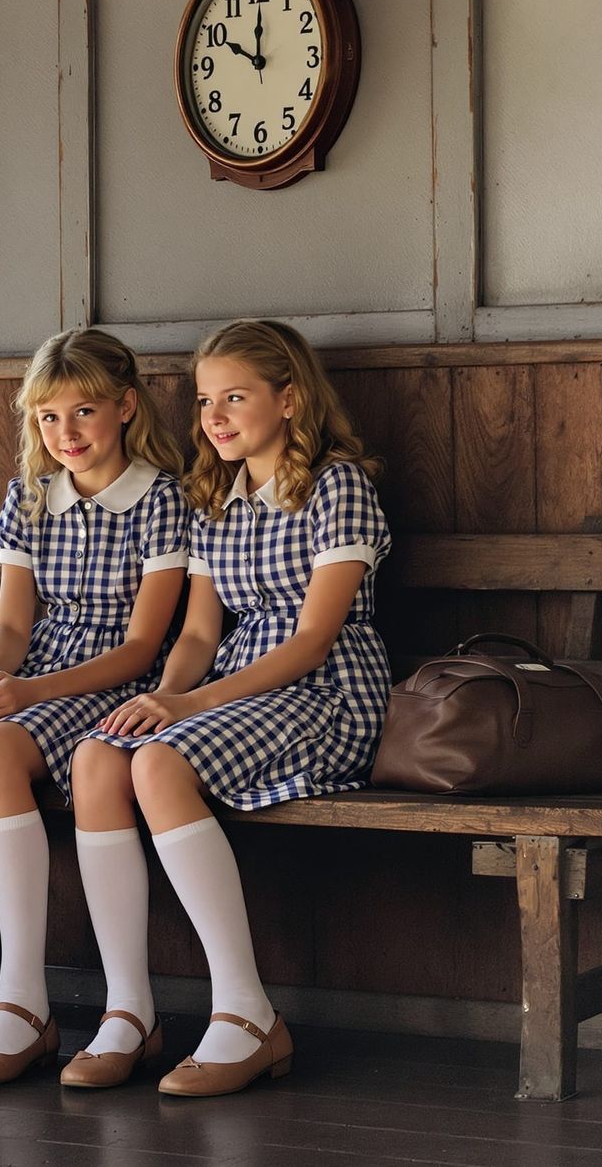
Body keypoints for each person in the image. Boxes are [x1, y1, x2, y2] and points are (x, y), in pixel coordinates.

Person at [73, 318, 391, 1096]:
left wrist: (189, 709)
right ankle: (128, 1010)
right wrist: (165, 695)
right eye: (207, 400)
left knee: (161, 759)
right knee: (95, 755)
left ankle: (246, 1014)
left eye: (235, 397)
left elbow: (314, 637)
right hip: (237, 693)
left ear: (289, 399)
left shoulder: (336, 485)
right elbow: (200, 632)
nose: (214, 416)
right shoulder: (215, 495)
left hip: (326, 695)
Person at [0, 328, 188, 1085]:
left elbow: (143, 646)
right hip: (33, 670)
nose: (66, 434)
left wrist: (26, 694)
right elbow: (12, 625)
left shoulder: (159, 498)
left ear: (124, 406)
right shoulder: (32, 496)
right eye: (49, 418)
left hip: (105, 683)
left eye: (83, 412)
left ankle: (23, 1001)